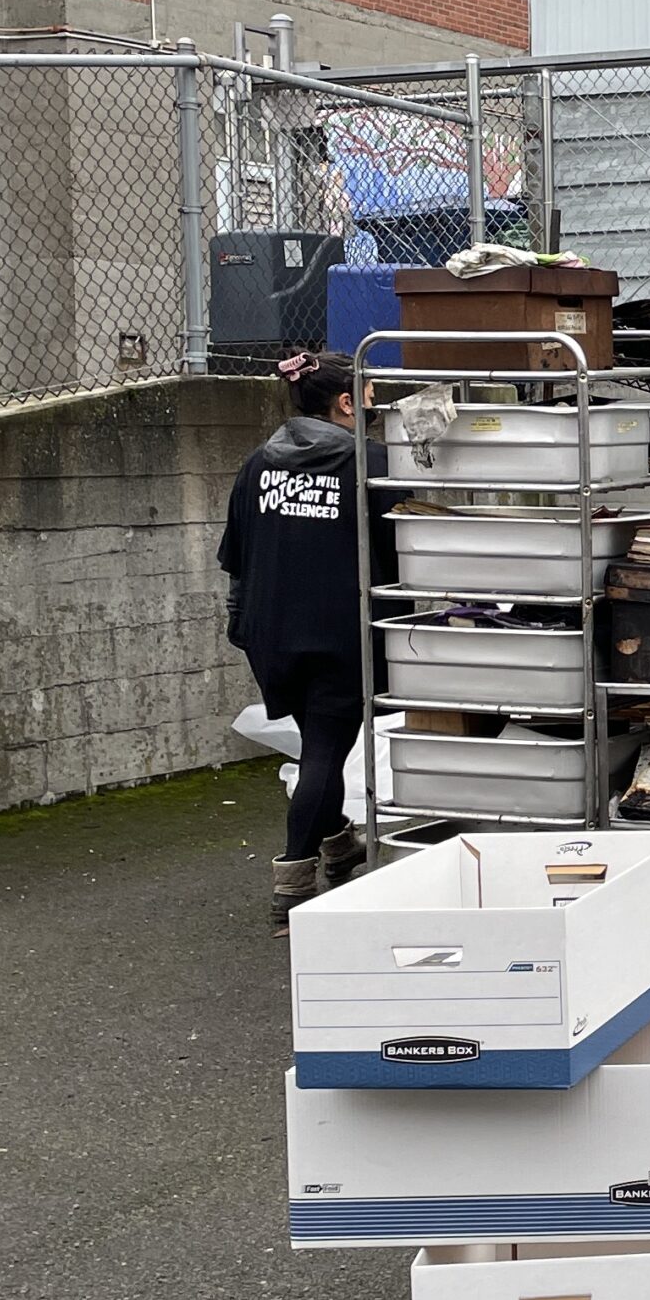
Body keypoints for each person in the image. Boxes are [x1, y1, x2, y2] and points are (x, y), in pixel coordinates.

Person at [218, 350, 393, 931]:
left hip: (270, 633)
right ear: (345, 401)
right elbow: (402, 556)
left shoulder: (257, 466)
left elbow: (236, 557)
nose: (372, 404)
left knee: (320, 740)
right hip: (339, 631)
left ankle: (338, 841)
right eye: (367, 394)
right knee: (324, 750)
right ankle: (292, 879)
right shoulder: (369, 466)